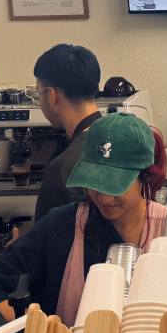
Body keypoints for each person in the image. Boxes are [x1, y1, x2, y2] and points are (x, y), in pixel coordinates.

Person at [0, 113, 167, 326]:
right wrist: (26, 325)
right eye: (94, 183)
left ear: (145, 176)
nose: (103, 198)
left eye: (115, 185)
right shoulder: (61, 225)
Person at [32, 43, 103, 221]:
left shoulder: (63, 170)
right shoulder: (123, 140)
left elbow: (48, 236)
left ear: (52, 95)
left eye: (38, 94)